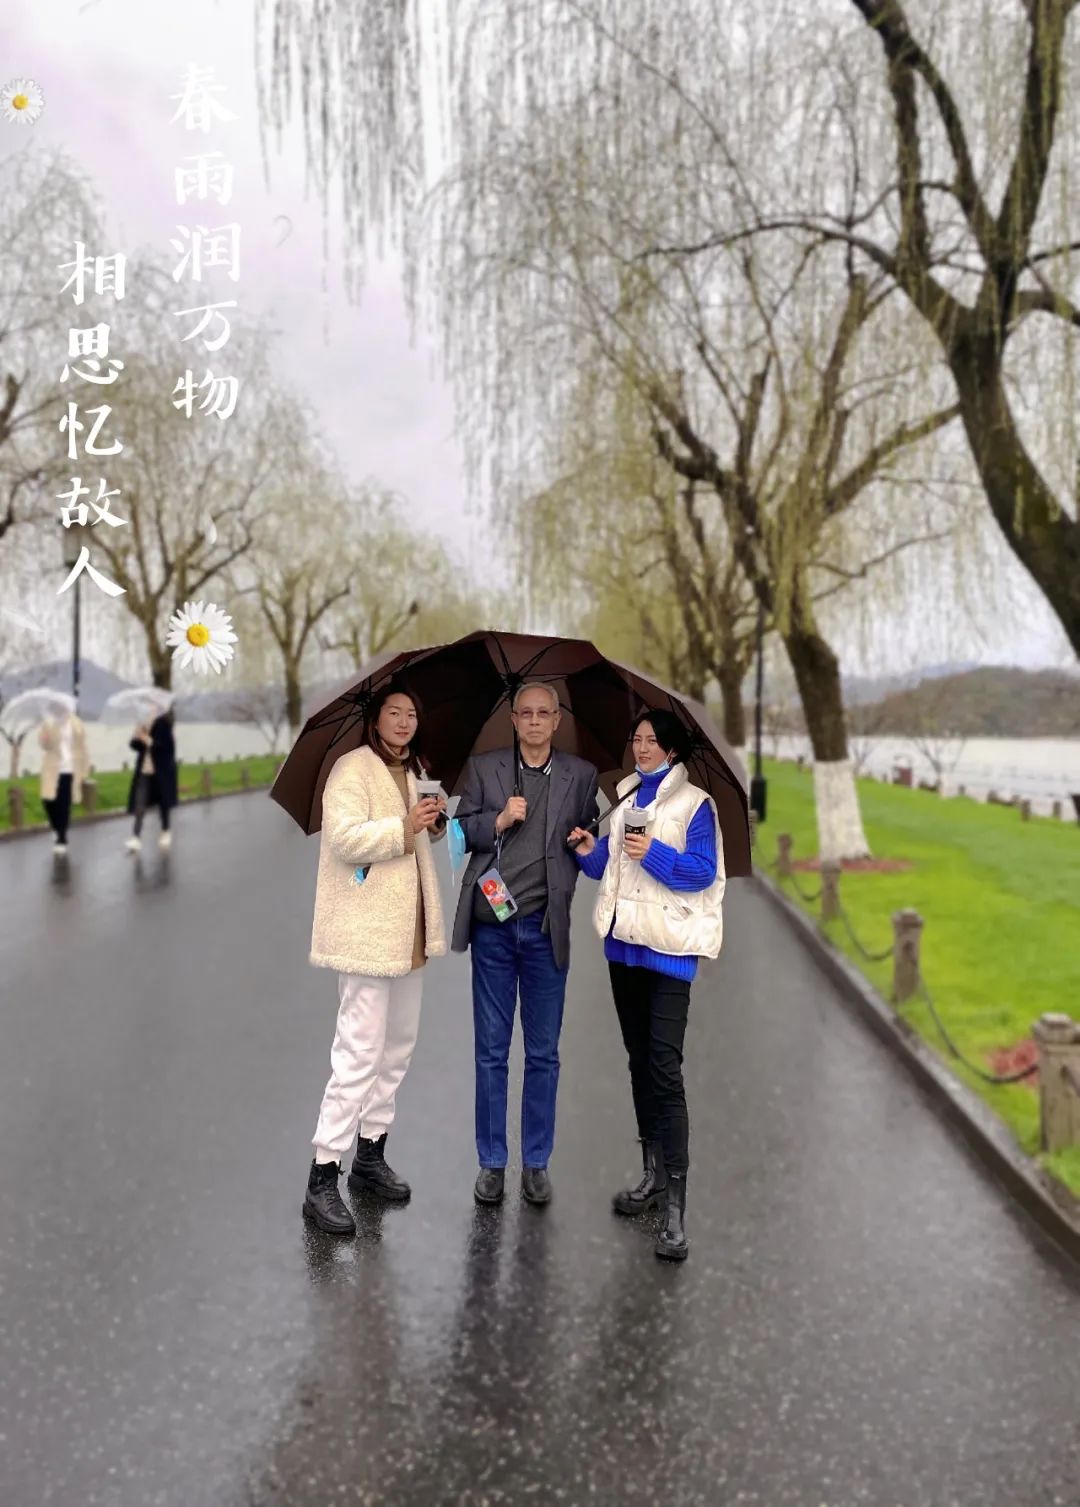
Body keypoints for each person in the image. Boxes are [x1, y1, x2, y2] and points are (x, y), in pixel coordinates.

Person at [568, 709, 726, 1262]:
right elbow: (609, 870)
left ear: (672, 749)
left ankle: (676, 1206)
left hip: (669, 954)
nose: (641, 747)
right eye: (636, 738)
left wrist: (652, 853)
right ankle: (652, 1176)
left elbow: (702, 872)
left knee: (664, 1067)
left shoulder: (696, 806)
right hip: (623, 947)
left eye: (652, 740)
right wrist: (588, 850)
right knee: (639, 1063)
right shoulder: (626, 798)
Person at [303, 685, 448, 1236]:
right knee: (358, 1053)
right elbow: (343, 841)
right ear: (376, 718)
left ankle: (370, 1153)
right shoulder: (352, 769)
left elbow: (421, 839)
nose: (405, 721)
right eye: (395, 713)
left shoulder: (417, 771)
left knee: (397, 1049)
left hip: (408, 934)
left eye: (412, 713)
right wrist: (404, 826)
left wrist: (434, 821)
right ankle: (323, 1174)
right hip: (367, 935)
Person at [452, 681, 599, 1207]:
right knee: (491, 1051)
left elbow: (587, 838)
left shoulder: (581, 776)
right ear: (513, 720)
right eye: (526, 714)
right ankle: (492, 1163)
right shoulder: (484, 769)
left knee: (543, 1054)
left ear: (557, 721)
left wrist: (586, 842)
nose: (535, 722)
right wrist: (496, 820)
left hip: (543, 930)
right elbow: (459, 831)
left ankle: (536, 1162)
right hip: (493, 928)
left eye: (544, 714)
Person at [124, 706, 178, 853]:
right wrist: (136, 737)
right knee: (139, 802)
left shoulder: (164, 723)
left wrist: (148, 740)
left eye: (152, 705)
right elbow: (135, 746)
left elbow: (167, 748)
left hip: (161, 771)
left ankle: (166, 830)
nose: (149, 708)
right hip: (144, 770)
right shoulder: (143, 723)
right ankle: (135, 837)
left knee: (163, 802)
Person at [37, 707, 90, 855]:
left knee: (64, 804)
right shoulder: (49, 723)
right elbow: (44, 745)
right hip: (52, 769)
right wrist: (44, 740)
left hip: (70, 769)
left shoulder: (77, 724)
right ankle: (56, 827)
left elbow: (83, 747)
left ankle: (62, 838)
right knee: (48, 800)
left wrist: (85, 768)